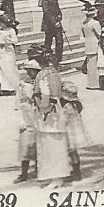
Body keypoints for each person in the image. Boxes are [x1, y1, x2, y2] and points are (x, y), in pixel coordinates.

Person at [29, 45, 70, 183]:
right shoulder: (54, 72)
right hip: (58, 110)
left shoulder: (42, 75)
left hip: (49, 113)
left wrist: (43, 107)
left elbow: (45, 93)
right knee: (57, 144)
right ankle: (57, 177)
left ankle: (55, 178)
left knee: (49, 144)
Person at [14, 58, 39, 183]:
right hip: (26, 117)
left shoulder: (38, 84)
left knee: (37, 146)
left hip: (36, 117)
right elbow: (18, 103)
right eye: (28, 71)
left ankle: (39, 170)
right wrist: (20, 118)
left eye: (32, 71)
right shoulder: (23, 85)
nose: (29, 73)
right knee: (24, 147)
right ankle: (24, 173)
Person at [60, 81, 88, 182]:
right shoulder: (76, 105)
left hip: (68, 130)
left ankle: (75, 172)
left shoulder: (66, 106)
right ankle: (76, 171)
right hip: (75, 130)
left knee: (69, 152)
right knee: (73, 152)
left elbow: (64, 119)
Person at [41, 0, 64, 65]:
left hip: (57, 24)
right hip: (49, 25)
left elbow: (58, 10)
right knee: (48, 42)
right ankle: (47, 59)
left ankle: (58, 60)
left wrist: (60, 16)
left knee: (60, 42)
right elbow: (47, 13)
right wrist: (55, 22)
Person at [79, 2, 102, 90]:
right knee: (95, 65)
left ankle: (90, 83)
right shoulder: (95, 23)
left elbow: (84, 35)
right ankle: (95, 84)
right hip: (95, 44)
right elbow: (99, 34)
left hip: (88, 45)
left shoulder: (84, 23)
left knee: (90, 65)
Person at [0, 14, 20, 95]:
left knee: (10, 68)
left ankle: (13, 86)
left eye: (1, 22)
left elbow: (15, 40)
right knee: (2, 68)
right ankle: (5, 87)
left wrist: (7, 41)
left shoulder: (11, 30)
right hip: (1, 51)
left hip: (9, 51)